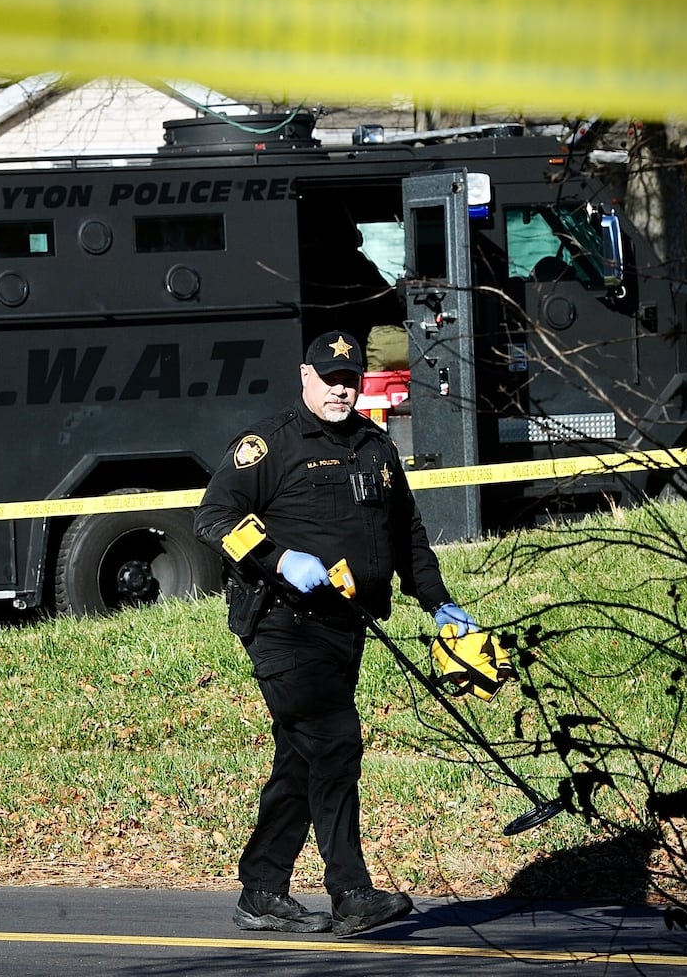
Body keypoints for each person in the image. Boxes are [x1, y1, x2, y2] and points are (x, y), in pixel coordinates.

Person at [193, 329, 480, 937]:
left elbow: (407, 534)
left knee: (302, 762)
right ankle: (351, 891)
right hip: (283, 626)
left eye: (349, 381)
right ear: (305, 377)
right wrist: (276, 558)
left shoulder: (375, 447)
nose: (340, 391)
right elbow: (213, 518)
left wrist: (440, 604)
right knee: (334, 742)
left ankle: (262, 891)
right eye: (329, 379)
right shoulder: (269, 444)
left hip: (347, 629)